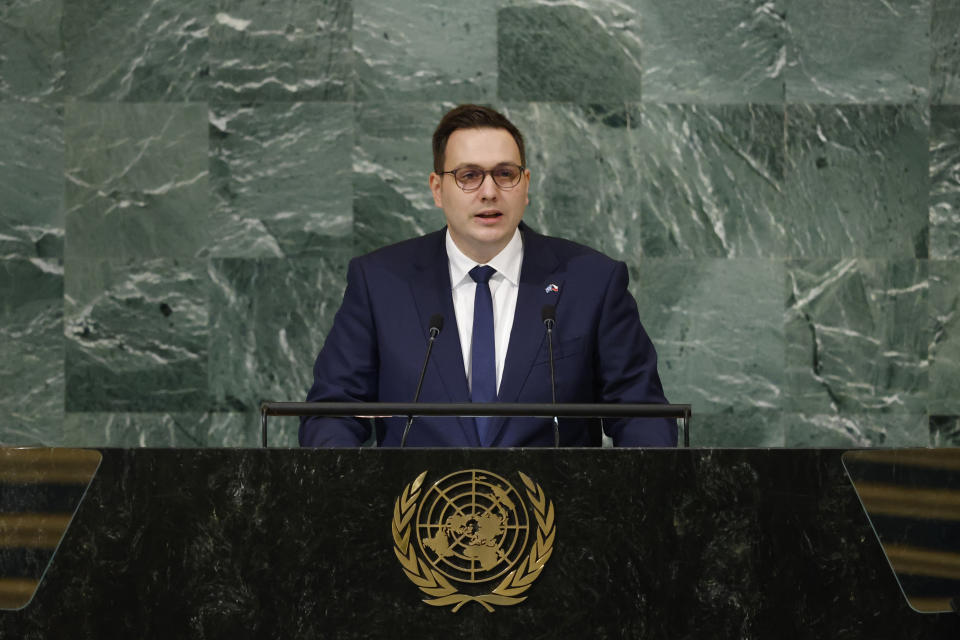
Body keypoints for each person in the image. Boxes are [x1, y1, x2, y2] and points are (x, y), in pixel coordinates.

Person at [299, 104, 676, 447]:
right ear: (437, 189)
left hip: (557, 517)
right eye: (469, 176)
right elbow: (334, 411)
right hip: (417, 516)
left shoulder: (592, 282)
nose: (489, 192)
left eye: (505, 174)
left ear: (525, 185)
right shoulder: (380, 282)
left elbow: (642, 413)